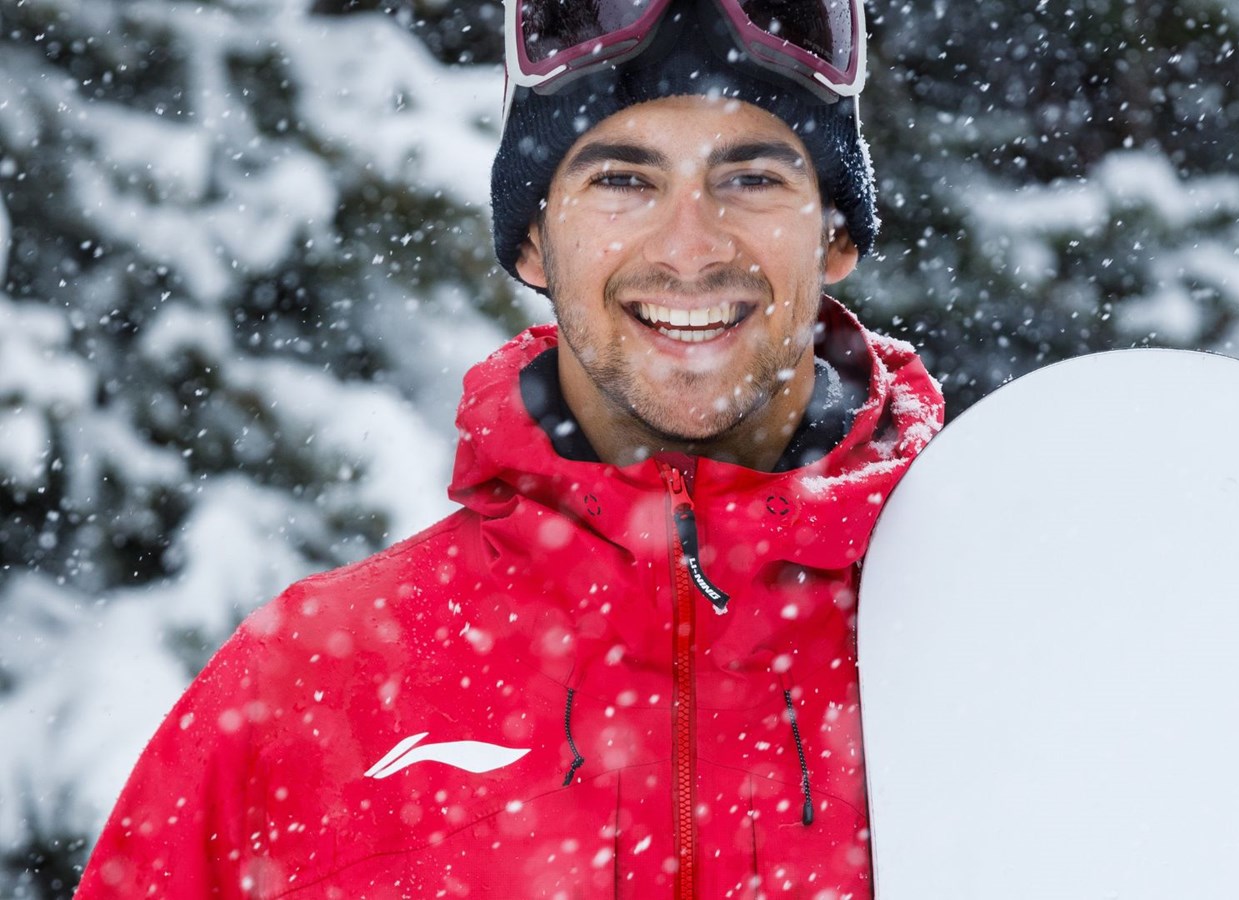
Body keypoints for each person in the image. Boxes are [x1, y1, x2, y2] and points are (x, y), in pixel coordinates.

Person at [74, 0, 943, 896]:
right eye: (623, 181)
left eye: (752, 178)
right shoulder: (313, 681)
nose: (691, 248)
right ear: (532, 238)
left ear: (835, 232)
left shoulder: (987, 634)